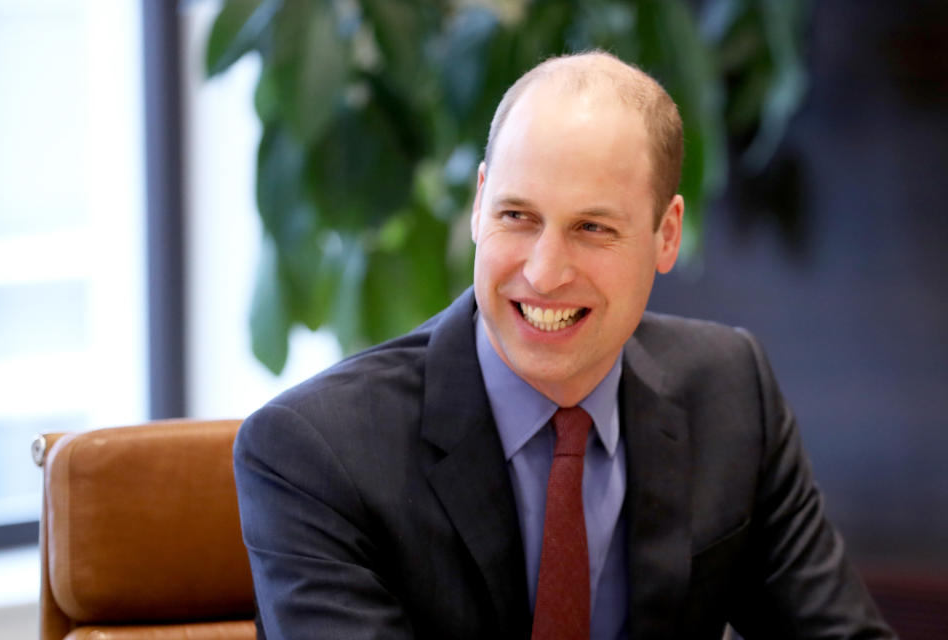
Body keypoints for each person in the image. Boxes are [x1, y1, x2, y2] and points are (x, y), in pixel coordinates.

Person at [234, 51, 894, 639]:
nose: (545, 272)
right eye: (517, 216)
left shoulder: (731, 392)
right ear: (478, 203)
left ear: (667, 236)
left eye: (592, 228)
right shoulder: (316, 454)